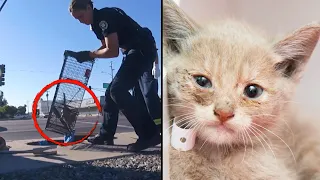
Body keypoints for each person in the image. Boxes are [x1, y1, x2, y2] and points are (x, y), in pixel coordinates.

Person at [66, 0, 161, 152]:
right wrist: (87, 55)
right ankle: (106, 135)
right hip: (132, 51)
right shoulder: (95, 24)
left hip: (141, 50)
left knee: (117, 91)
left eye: (81, 16)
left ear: (89, 7)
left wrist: (89, 54)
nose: (81, 21)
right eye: (77, 19)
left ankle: (150, 133)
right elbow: (106, 46)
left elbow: (112, 51)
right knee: (110, 94)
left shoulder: (104, 18)